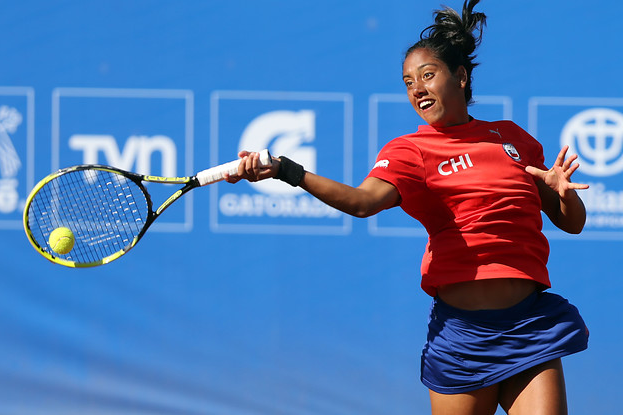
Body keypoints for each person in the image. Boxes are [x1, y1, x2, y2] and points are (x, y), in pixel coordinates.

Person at [226, 1, 589, 414]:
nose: (417, 88)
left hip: (528, 327)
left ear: (461, 76)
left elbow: (571, 223)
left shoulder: (511, 138)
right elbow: (362, 203)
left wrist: (565, 193)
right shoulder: (410, 151)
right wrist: (287, 170)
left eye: (428, 75)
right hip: (462, 338)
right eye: (407, 82)